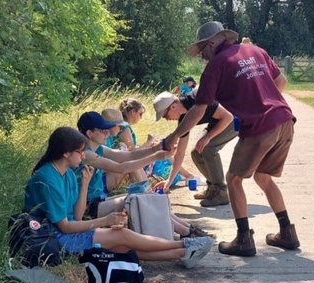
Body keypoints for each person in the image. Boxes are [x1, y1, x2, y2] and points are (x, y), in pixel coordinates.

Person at [163, 21, 300, 257]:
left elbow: (198, 110)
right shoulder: (256, 51)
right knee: (263, 177)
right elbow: (281, 82)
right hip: (285, 121)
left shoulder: (216, 66)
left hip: (260, 127)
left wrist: (174, 135)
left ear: (213, 43)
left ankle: (244, 239)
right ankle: (287, 232)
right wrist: (265, 99)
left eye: (203, 50)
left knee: (233, 179)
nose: (202, 57)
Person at [24, 126, 213, 268]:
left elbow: (78, 217)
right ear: (65, 153)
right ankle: (184, 244)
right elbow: (64, 227)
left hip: (68, 230)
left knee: (123, 248)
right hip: (53, 237)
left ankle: (185, 252)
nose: (83, 157)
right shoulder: (48, 178)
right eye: (80, 152)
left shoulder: (69, 174)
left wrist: (84, 186)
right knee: (121, 235)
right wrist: (104, 220)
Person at [76, 111, 214, 239]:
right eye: (102, 130)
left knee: (147, 198)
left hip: (99, 200)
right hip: (88, 207)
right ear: (89, 133)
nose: (107, 133)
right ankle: (187, 233)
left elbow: (128, 155)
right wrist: (155, 156)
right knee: (139, 201)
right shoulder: (86, 154)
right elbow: (120, 168)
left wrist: (157, 148)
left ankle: (189, 229)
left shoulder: (98, 148)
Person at [153, 88, 238, 207]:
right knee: (196, 153)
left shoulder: (198, 99)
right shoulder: (184, 119)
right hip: (219, 121)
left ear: (172, 107)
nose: (167, 119)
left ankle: (221, 192)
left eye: (165, 115)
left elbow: (227, 117)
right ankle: (212, 188)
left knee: (208, 148)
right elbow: (180, 153)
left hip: (235, 119)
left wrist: (208, 136)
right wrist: (169, 180)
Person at [118, 98, 194, 184]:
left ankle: (184, 175)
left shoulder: (125, 127)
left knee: (162, 149)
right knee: (163, 151)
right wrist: (148, 142)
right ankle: (186, 175)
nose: (141, 117)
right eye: (140, 113)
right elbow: (131, 154)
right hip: (129, 165)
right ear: (133, 112)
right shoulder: (125, 128)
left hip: (128, 162)